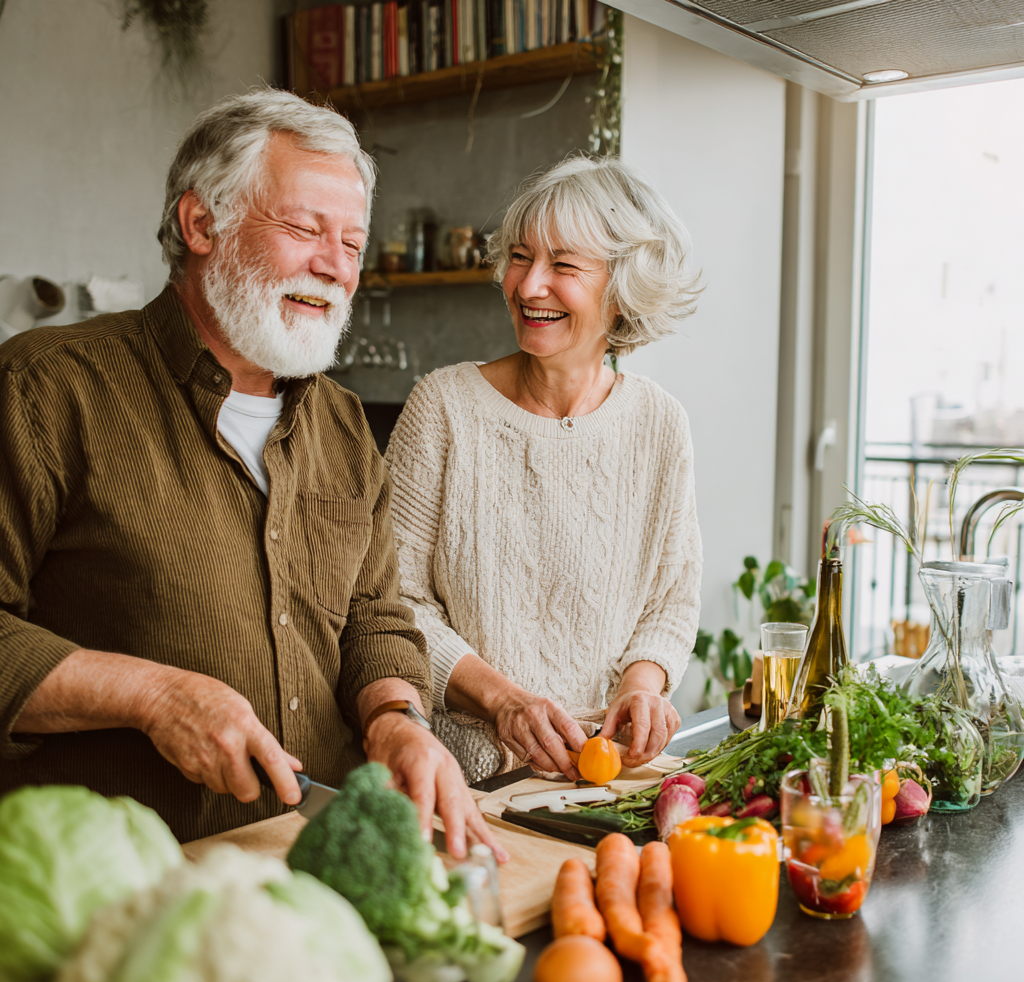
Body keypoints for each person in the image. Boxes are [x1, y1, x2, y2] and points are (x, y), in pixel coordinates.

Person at [0, 88, 500, 859]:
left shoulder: (342, 423)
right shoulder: (46, 389)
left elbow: (373, 613)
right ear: (202, 224)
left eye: (353, 245)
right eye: (305, 229)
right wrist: (154, 696)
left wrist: (396, 719)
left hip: (313, 868)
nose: (334, 268)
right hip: (118, 887)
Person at [385, 155, 703, 784]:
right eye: (522, 257)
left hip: (607, 780)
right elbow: (393, 601)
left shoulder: (661, 424)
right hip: (466, 781)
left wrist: (643, 686)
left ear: (621, 289)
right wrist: (503, 701)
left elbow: (672, 599)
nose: (529, 285)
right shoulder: (444, 408)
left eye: (562, 265)